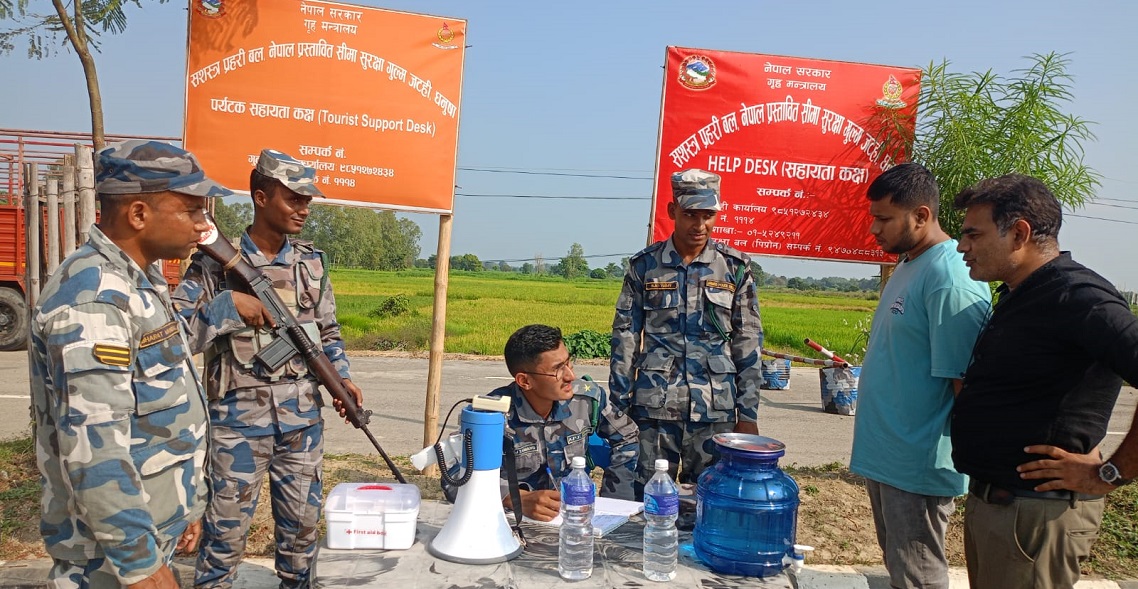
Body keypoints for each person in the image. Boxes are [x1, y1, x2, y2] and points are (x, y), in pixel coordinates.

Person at [29, 140, 242, 588]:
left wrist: (187, 506)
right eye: (191, 211)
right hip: (108, 562)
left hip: (147, 534)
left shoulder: (138, 281)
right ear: (139, 214)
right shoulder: (94, 301)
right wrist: (140, 564)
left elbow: (164, 408)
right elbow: (96, 450)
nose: (204, 226)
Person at [173, 149, 362, 589]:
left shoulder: (311, 263)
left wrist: (341, 377)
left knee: (301, 539)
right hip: (236, 427)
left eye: (307, 201)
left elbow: (329, 333)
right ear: (260, 197)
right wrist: (227, 307)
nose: (303, 208)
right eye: (293, 198)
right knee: (223, 542)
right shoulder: (214, 264)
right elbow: (175, 337)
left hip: (302, 425)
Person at [952, 173, 1138, 589]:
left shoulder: (1080, 299)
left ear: (1019, 233)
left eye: (973, 234)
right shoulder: (1023, 294)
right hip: (1002, 508)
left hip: (1035, 515)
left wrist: (1112, 473)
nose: (962, 246)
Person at [849, 163, 991, 589]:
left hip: (918, 463)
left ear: (922, 216)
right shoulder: (911, 264)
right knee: (902, 572)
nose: (874, 229)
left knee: (918, 577)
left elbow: (966, 387)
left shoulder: (949, 279)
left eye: (884, 219)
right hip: (890, 457)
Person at [610, 169, 762, 494]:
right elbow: (624, 339)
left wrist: (747, 414)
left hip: (715, 410)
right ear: (672, 211)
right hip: (653, 409)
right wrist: (618, 408)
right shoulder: (644, 267)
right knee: (647, 503)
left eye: (708, 215)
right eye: (691, 214)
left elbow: (748, 343)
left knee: (712, 502)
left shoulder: (734, 268)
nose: (700, 225)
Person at [472, 324, 640, 521]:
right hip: (511, 524)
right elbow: (455, 476)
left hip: (574, 520)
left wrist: (614, 500)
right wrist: (513, 498)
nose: (570, 376)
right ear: (524, 381)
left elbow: (627, 436)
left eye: (569, 363)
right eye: (558, 370)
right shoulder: (492, 416)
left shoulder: (586, 399)